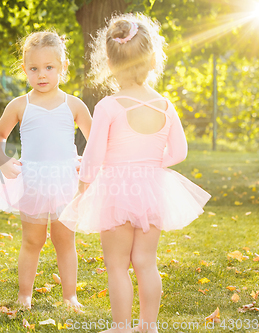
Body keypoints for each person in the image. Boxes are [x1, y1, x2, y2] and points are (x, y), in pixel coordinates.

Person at [58, 14, 211, 333]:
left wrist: (83, 187)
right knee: (145, 261)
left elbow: (94, 155)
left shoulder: (109, 106)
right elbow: (179, 152)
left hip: (114, 190)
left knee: (117, 264)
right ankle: (149, 326)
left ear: (110, 65)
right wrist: (153, 167)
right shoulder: (166, 106)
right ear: (154, 60)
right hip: (152, 189)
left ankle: (121, 327)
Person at [0, 31, 92, 309]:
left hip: (64, 182)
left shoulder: (73, 105)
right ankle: (25, 294)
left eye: (49, 68)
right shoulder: (20, 105)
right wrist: (3, 159)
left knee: (64, 240)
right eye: (34, 69)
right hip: (33, 181)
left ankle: (70, 296)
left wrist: (87, 162)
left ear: (62, 67)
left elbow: (96, 141)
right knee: (32, 240)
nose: (41, 74)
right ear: (24, 70)